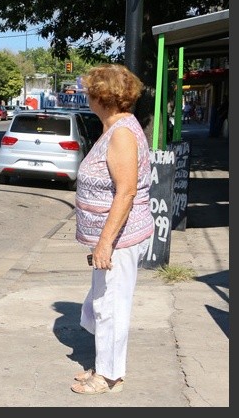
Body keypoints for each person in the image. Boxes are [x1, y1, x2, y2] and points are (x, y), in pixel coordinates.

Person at [71, 64, 154, 395]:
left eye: (90, 91)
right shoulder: (116, 128)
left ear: (101, 97)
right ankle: (104, 364)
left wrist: (104, 244)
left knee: (112, 306)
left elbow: (126, 192)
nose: (87, 96)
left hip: (119, 239)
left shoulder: (121, 134)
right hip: (114, 237)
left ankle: (109, 377)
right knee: (100, 304)